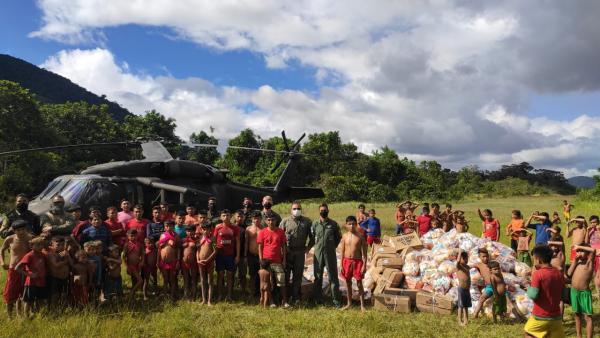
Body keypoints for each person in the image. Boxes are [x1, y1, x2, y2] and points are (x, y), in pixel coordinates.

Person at [524, 245, 565, 338]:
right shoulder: (558, 273)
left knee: (528, 332)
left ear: (538, 260)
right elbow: (562, 291)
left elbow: (533, 295)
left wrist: (528, 287)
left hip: (540, 316)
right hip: (556, 317)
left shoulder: (537, 274)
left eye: (534, 259)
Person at [280, 201, 314, 303]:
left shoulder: (307, 222)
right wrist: (283, 250)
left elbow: (312, 237)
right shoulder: (285, 221)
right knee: (286, 275)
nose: (296, 210)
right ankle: (284, 298)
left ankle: (296, 297)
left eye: (298, 208)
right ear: (291, 210)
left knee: (298, 276)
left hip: (300, 252)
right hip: (288, 252)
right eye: (294, 209)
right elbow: (279, 236)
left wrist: (308, 248)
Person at [1, 220, 34, 317]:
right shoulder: (10, 239)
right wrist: (2, 263)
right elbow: (1, 250)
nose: (21, 232)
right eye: (18, 230)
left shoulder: (31, 238)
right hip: (13, 269)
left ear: (26, 229)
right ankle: (9, 316)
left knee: (23, 293)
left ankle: (20, 315)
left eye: (23, 229)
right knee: (10, 293)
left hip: (26, 269)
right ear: (14, 231)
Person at [312, 203, 342, 307]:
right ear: (319, 211)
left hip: (330, 254)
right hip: (318, 254)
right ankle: (318, 299)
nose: (323, 212)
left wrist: (331, 246)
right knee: (318, 276)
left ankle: (336, 301)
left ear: (328, 211)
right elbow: (312, 238)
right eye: (321, 210)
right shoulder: (315, 224)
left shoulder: (333, 224)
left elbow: (338, 238)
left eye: (325, 210)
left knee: (333, 277)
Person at [257, 215, 288, 308]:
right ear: (266, 221)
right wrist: (261, 259)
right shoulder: (262, 232)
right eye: (269, 220)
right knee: (268, 282)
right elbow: (260, 247)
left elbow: (283, 246)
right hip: (266, 262)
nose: (271, 222)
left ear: (276, 221)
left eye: (272, 220)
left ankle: (284, 301)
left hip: (278, 261)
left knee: (281, 281)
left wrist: (284, 260)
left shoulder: (280, 232)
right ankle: (271, 301)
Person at [339, 216, 367, 312]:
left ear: (356, 224)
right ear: (346, 225)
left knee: (359, 283)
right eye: (349, 224)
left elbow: (364, 254)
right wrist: (341, 264)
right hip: (346, 261)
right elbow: (342, 251)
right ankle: (349, 303)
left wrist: (364, 265)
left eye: (353, 224)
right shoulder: (344, 236)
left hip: (357, 262)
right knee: (348, 283)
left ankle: (362, 305)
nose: (351, 226)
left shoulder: (360, 236)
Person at [567, 244, 595, 338]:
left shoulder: (589, 262)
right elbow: (569, 274)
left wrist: (579, 246)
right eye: (578, 251)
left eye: (582, 251)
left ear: (587, 253)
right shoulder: (577, 262)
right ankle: (579, 335)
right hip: (574, 292)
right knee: (577, 315)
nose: (579, 253)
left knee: (588, 316)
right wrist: (574, 261)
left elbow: (593, 250)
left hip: (584, 293)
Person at [15, 237, 47, 317]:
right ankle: (26, 316)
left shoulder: (42, 255)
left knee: (41, 300)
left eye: (42, 245)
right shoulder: (29, 255)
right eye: (38, 245)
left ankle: (40, 315)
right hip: (31, 283)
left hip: (41, 281)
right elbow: (17, 268)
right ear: (31, 246)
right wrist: (29, 275)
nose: (41, 247)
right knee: (28, 301)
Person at [213, 209, 240, 301]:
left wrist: (237, 256)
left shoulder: (235, 228)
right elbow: (213, 240)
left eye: (228, 215)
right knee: (220, 275)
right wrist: (214, 252)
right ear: (221, 217)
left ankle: (229, 295)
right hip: (219, 255)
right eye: (224, 215)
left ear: (231, 216)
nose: (226, 217)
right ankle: (220, 295)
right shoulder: (217, 227)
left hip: (230, 255)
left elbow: (238, 242)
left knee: (229, 275)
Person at [157, 221, 180, 300]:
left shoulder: (176, 236)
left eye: (170, 226)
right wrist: (157, 261)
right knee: (165, 279)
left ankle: (172, 295)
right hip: (163, 262)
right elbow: (159, 249)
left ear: (173, 227)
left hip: (173, 261)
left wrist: (177, 261)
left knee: (172, 279)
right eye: (167, 226)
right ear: (164, 227)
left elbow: (178, 249)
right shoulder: (162, 235)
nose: (168, 228)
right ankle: (165, 294)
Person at [47, 236, 70, 306]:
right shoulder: (51, 254)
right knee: (55, 295)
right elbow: (56, 265)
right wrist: (66, 261)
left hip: (65, 278)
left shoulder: (65, 253)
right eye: (58, 245)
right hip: (55, 278)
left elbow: (72, 264)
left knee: (64, 295)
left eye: (62, 245)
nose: (60, 247)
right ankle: (53, 311)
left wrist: (67, 256)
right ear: (52, 245)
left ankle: (62, 311)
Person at [197, 222, 216, 305]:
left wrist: (208, 259)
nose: (205, 231)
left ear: (210, 230)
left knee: (210, 281)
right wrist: (198, 259)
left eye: (207, 229)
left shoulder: (213, 238)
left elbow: (215, 251)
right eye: (204, 229)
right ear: (201, 230)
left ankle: (209, 300)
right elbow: (197, 250)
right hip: (201, 262)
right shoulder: (200, 238)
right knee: (202, 280)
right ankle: (204, 299)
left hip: (210, 262)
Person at [245, 211, 262, 297]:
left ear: (261, 219)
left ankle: (260, 292)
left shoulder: (264, 228)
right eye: (255, 218)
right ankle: (252, 292)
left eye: (258, 218)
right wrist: (245, 255)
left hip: (261, 256)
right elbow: (246, 242)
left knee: (261, 274)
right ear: (252, 219)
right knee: (252, 274)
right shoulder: (248, 229)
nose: (256, 220)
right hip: (251, 255)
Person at [123, 229, 143, 300]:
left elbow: (142, 254)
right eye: (131, 236)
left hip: (137, 265)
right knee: (140, 281)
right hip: (131, 266)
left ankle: (132, 296)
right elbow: (123, 257)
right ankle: (132, 292)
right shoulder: (127, 245)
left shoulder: (140, 244)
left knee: (134, 280)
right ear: (128, 237)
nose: (133, 237)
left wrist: (142, 262)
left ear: (137, 236)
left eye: (134, 236)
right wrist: (127, 266)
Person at [473, 248, 492, 318]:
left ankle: (517, 317)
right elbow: (470, 267)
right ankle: (475, 315)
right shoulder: (479, 265)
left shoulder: (492, 264)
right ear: (479, 257)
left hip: (497, 286)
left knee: (507, 301)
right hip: (489, 287)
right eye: (483, 256)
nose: (486, 258)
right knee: (481, 299)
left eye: (487, 256)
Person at [584, 215, 600, 299]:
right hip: (591, 254)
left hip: (599, 255)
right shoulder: (590, 230)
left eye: (594, 222)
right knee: (593, 274)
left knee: (598, 275)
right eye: (591, 222)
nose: (593, 224)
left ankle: (598, 292)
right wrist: (587, 231)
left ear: (598, 222)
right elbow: (586, 242)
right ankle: (598, 292)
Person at [233, 210, 248, 294]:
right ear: (235, 217)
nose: (240, 218)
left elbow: (246, 243)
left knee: (243, 274)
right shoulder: (231, 227)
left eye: (241, 216)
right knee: (231, 273)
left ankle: (243, 290)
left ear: (244, 217)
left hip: (242, 255)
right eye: (238, 216)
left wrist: (245, 256)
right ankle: (231, 290)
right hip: (232, 254)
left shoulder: (246, 228)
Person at [181, 225, 198, 300]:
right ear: (185, 232)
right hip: (184, 262)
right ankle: (186, 296)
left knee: (194, 279)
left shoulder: (197, 240)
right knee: (186, 279)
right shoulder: (183, 240)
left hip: (194, 262)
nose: (189, 232)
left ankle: (194, 296)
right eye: (188, 231)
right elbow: (179, 251)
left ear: (194, 231)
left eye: (191, 231)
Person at [456, 251, 471, 326]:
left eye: (466, 258)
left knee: (466, 306)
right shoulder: (459, 267)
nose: (465, 260)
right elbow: (458, 261)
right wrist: (460, 252)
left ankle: (466, 320)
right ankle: (459, 320)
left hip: (467, 289)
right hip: (461, 288)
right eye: (463, 258)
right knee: (460, 306)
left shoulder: (467, 267)